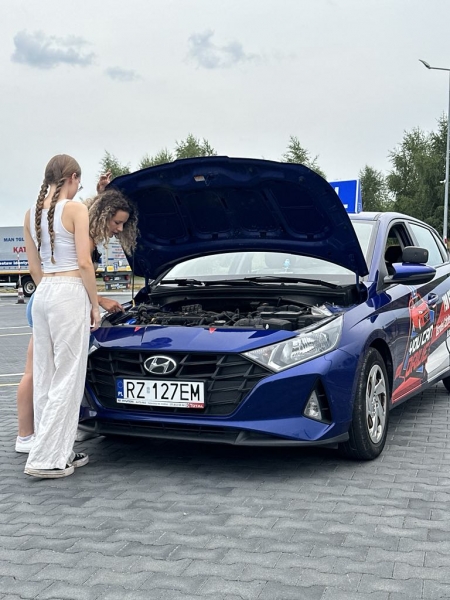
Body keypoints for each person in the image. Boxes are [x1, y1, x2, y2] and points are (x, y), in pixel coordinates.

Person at [16, 181, 139, 456]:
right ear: (104, 216)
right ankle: (28, 436)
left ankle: (35, 435)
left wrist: (102, 191)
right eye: (117, 222)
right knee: (42, 374)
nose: (119, 229)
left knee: (40, 372)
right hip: (59, 302)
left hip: (46, 298)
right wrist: (99, 303)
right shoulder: (82, 230)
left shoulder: (81, 221)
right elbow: (78, 271)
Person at [22, 154, 101, 478]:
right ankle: (46, 458)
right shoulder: (76, 209)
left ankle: (58, 450)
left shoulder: (30, 214)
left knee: (46, 374)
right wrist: (94, 304)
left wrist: (48, 289)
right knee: (68, 377)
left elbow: (34, 266)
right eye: (79, 181)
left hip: (44, 292)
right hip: (69, 291)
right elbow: (84, 262)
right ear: (72, 177)